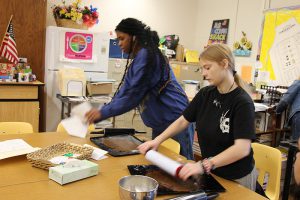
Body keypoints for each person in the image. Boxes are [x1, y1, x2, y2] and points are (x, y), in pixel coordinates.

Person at [138, 44, 257, 191]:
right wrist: (157, 141)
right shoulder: (205, 94)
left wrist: (203, 165)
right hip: (212, 173)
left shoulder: (242, 102)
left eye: (207, 68)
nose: (203, 74)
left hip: (237, 178)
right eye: (202, 69)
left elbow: (241, 149)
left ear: (225, 64)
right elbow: (183, 120)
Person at [85, 18, 194, 159]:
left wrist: (102, 113)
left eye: (122, 38)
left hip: (177, 120)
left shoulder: (148, 57)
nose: (119, 44)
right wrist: (103, 111)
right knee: (161, 164)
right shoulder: (138, 59)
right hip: (161, 123)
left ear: (134, 37)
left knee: (182, 166)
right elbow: (125, 92)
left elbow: (132, 98)